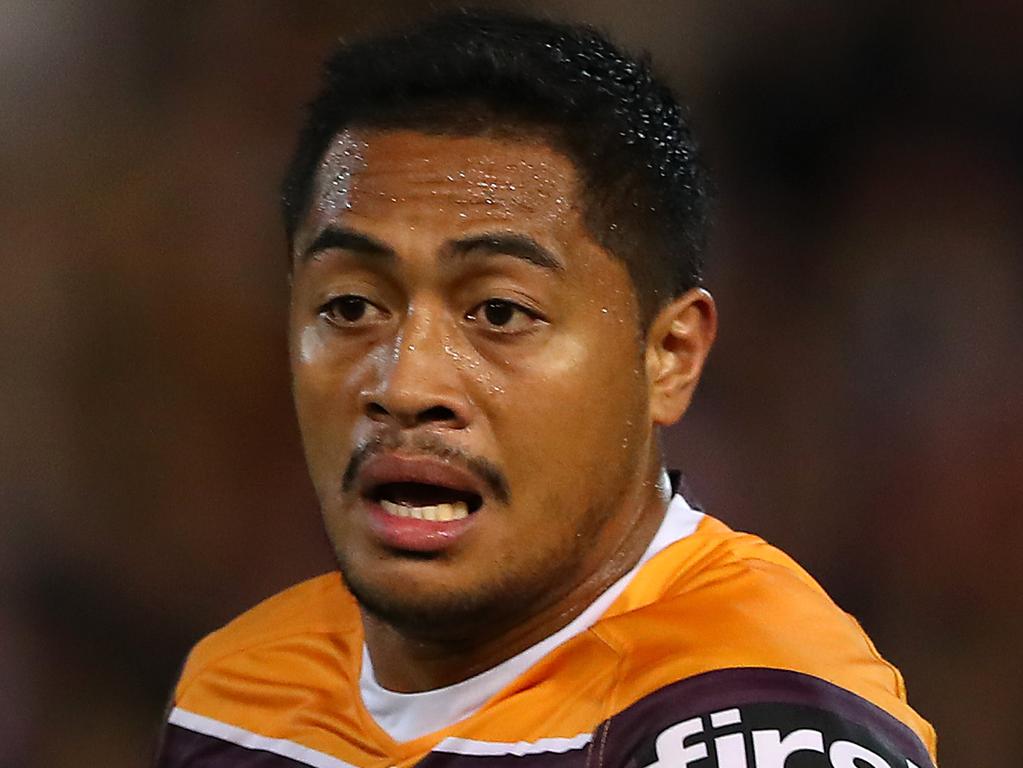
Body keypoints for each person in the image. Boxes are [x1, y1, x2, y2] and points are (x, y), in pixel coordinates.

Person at [155, 10, 938, 768]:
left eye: (499, 312)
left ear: (668, 355)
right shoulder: (235, 697)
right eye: (350, 307)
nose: (404, 382)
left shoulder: (744, 713)